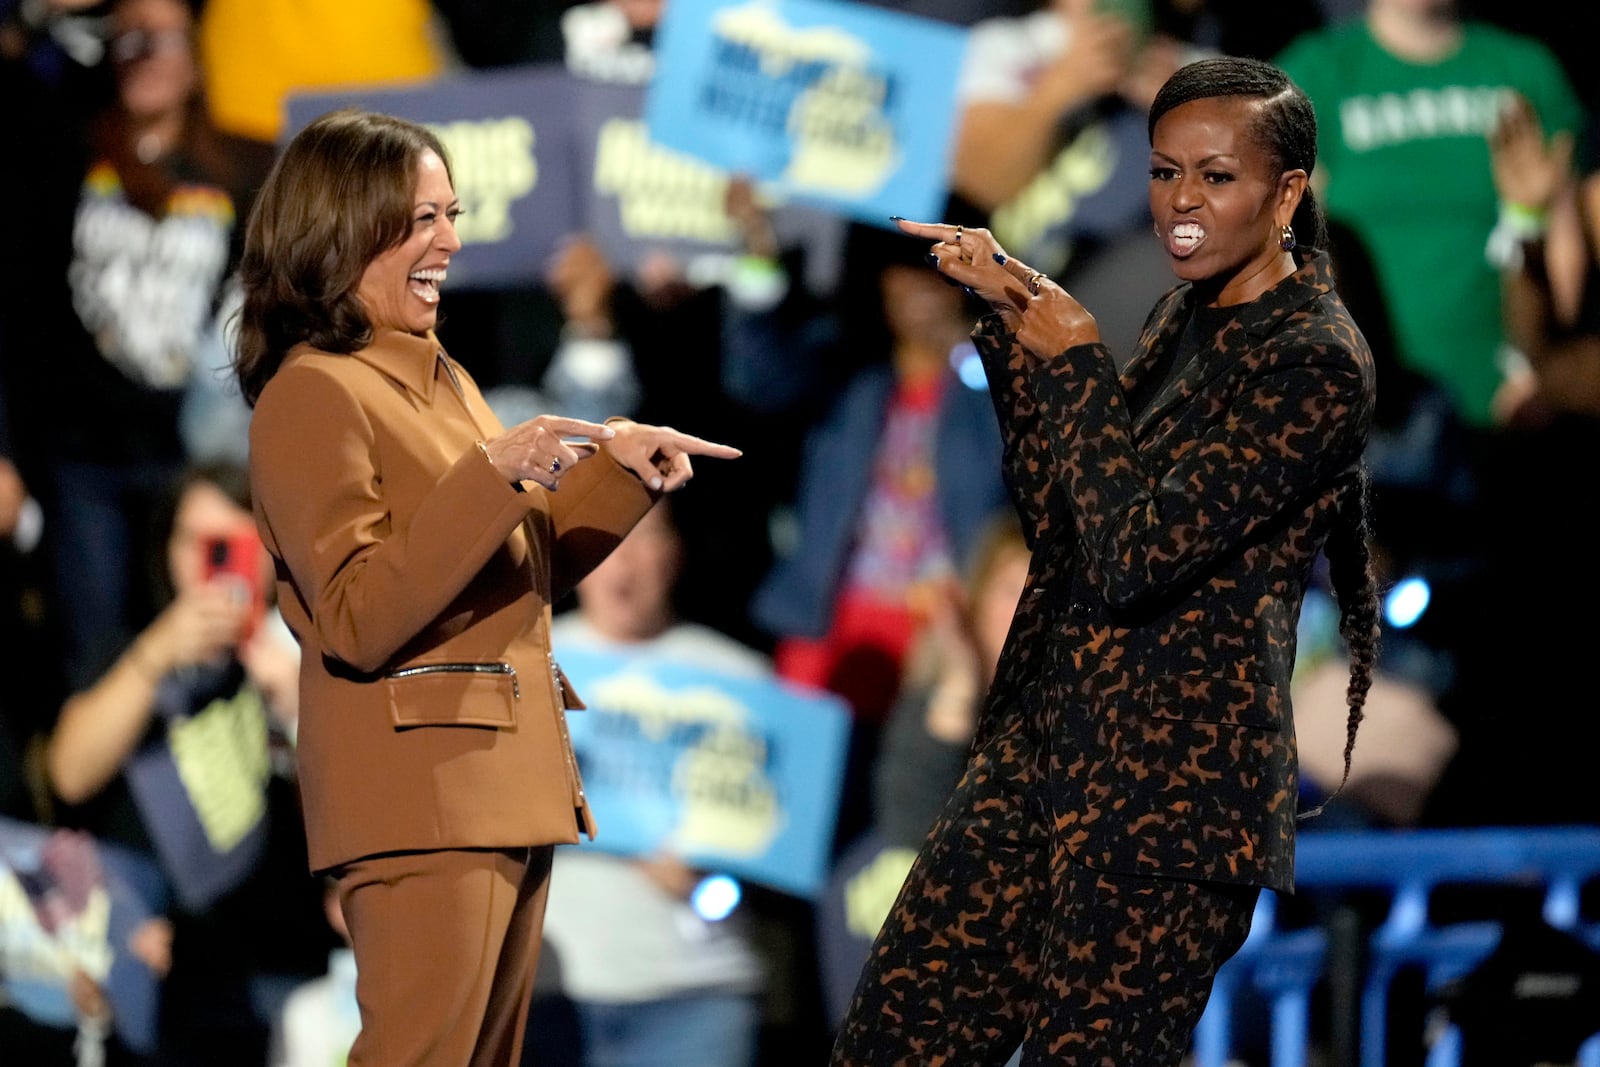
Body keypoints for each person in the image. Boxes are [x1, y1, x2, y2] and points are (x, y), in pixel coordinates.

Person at [830, 55, 1380, 1065]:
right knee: (889, 1041)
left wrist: (1078, 357)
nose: (1180, 201)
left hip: (1166, 805)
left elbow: (1138, 553)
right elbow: (1070, 524)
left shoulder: (1313, 358)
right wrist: (1011, 330)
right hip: (1045, 757)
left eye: (1215, 176)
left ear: (1287, 191)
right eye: (1164, 171)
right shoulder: (1179, 320)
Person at [234, 107, 741, 1067]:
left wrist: (621, 474)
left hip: (501, 780)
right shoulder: (313, 392)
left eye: (451, 215)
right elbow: (355, 614)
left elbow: (513, 572)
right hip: (423, 793)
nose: (451, 242)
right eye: (421, 219)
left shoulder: (445, 381)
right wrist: (492, 476)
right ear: (344, 228)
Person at [42, 460, 327, 1067]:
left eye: (231, 546)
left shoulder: (306, 667)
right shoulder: (126, 653)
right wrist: (155, 655)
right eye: (193, 543)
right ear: (164, 552)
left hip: (273, 981)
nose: (212, 567)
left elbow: (350, 823)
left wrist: (303, 711)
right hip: (148, 979)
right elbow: (68, 772)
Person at [540, 500, 768, 1067]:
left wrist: (718, 869)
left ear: (674, 553)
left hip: (697, 997)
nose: (623, 561)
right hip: (552, 995)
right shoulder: (524, 661)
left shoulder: (741, 680)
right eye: (604, 540)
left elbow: (781, 845)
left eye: (642, 538)